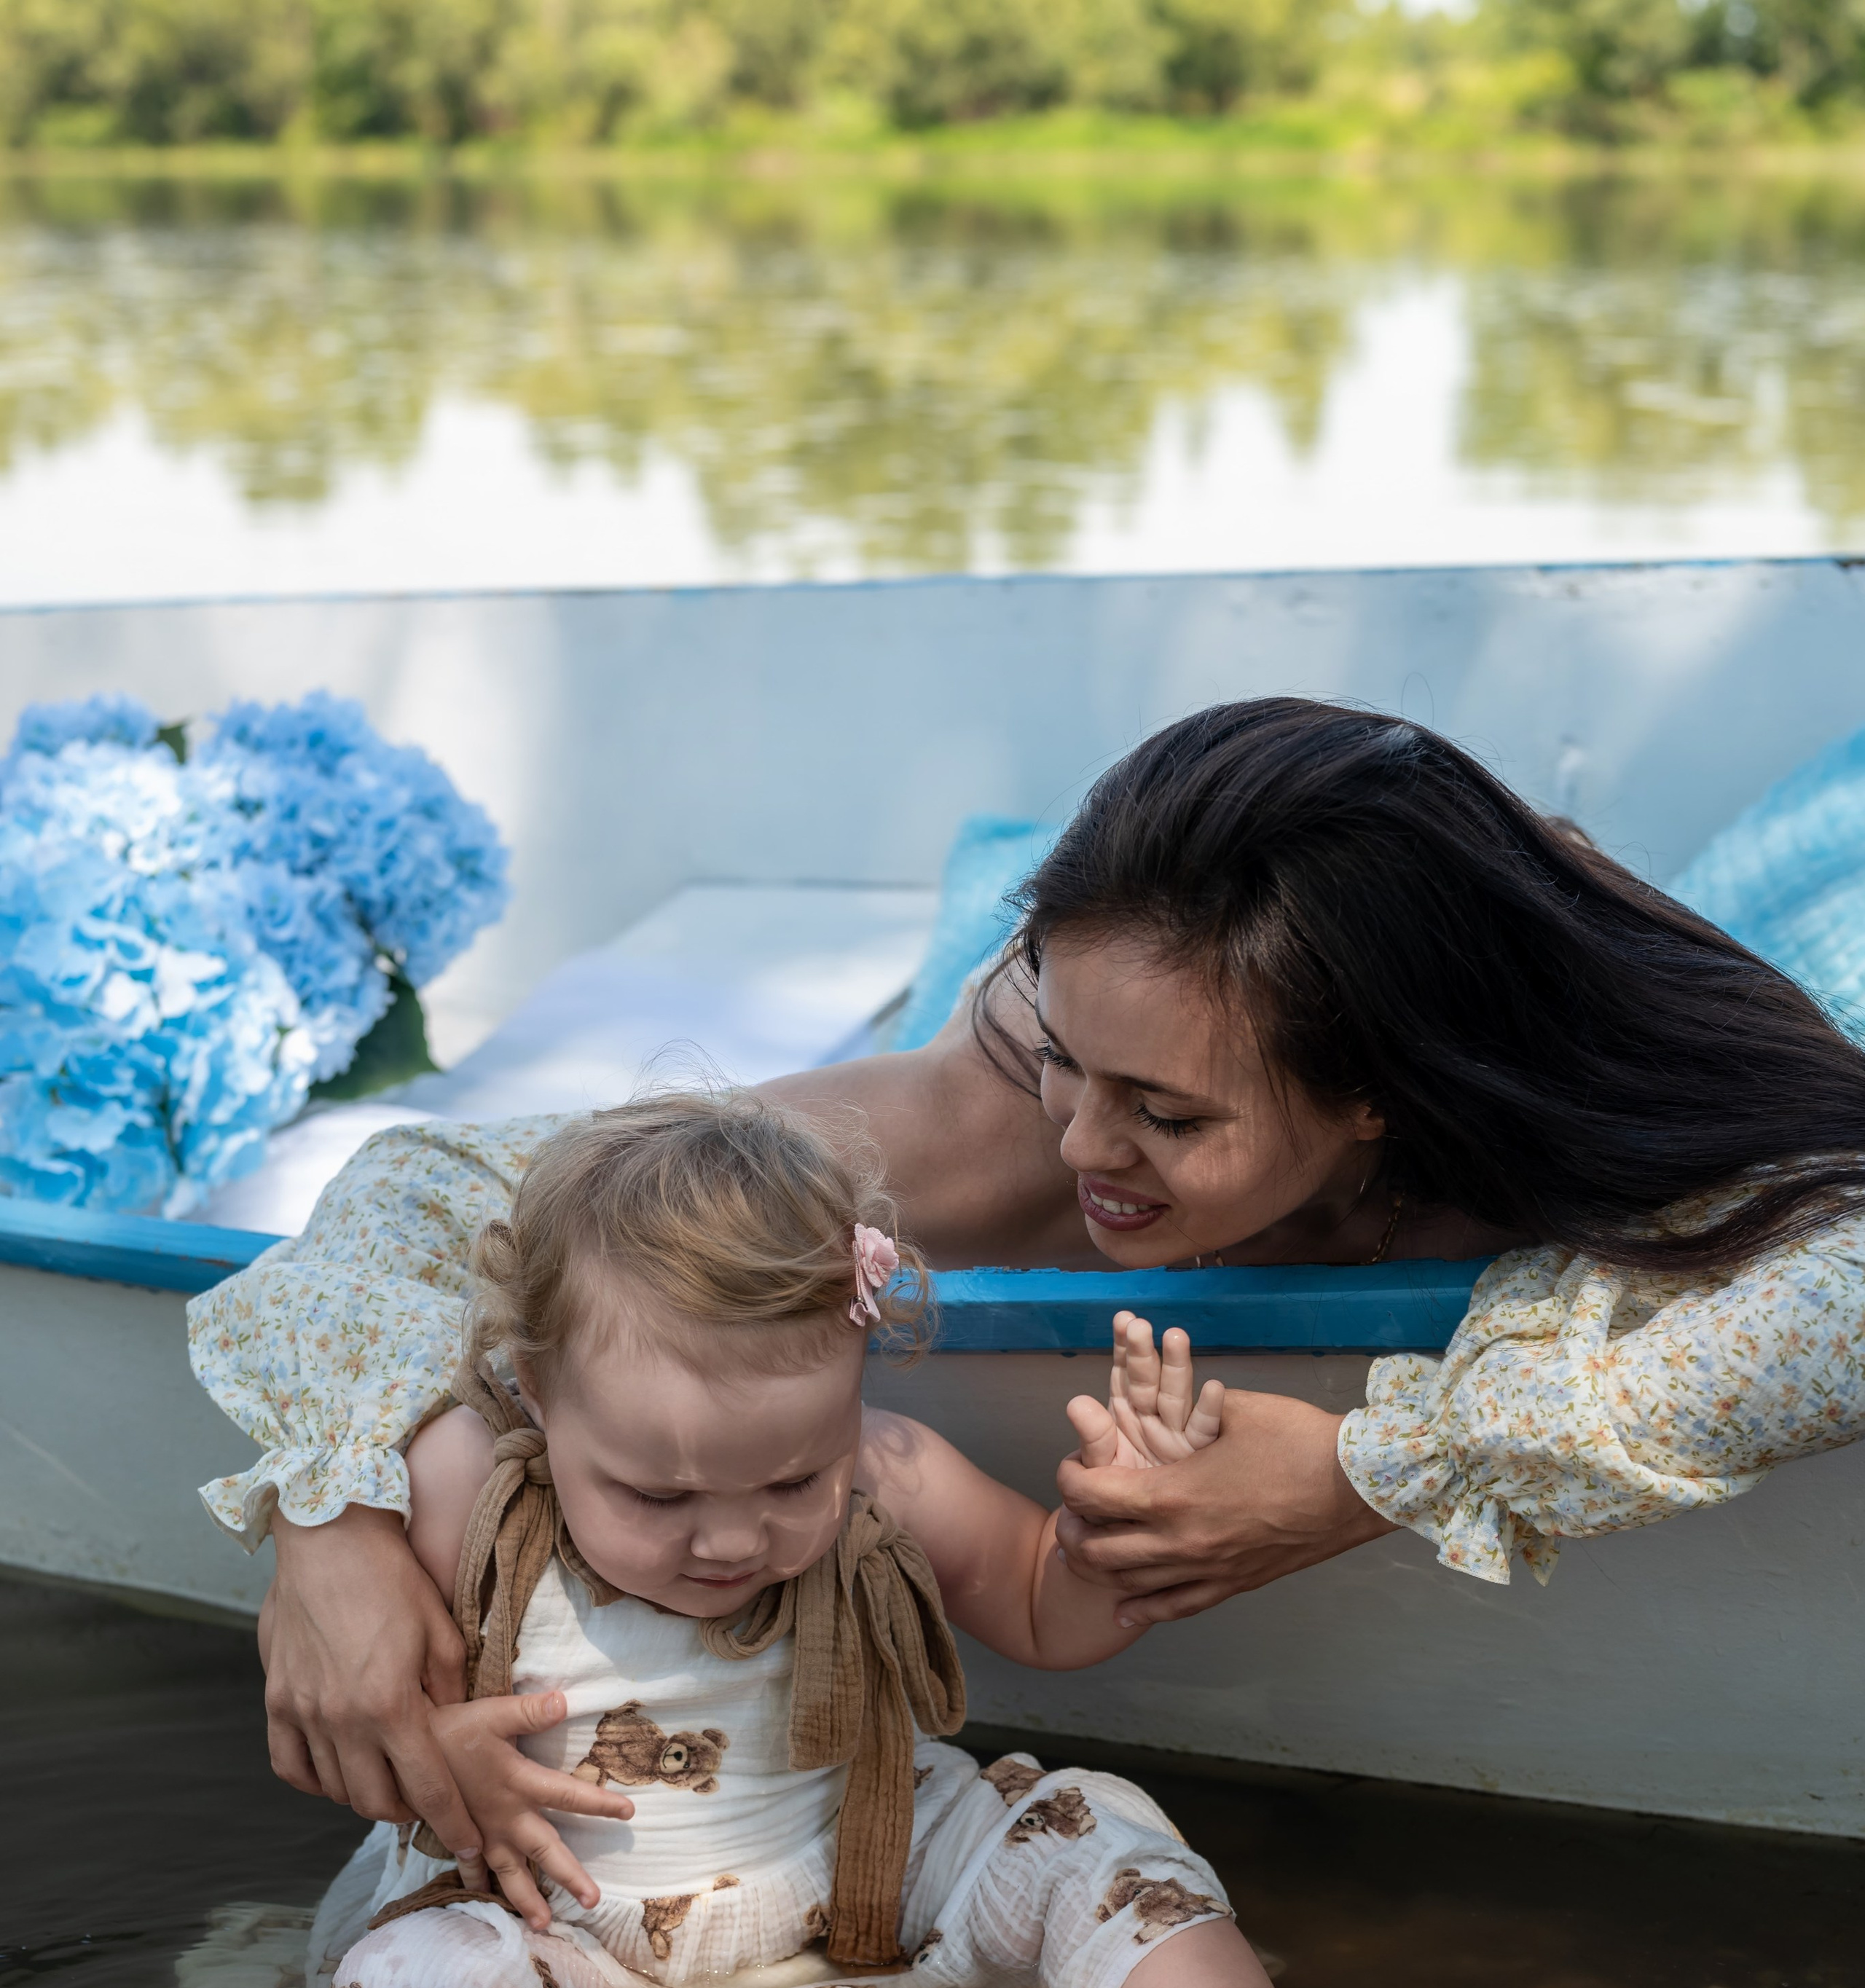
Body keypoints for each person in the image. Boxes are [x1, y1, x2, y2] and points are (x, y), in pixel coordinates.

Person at [188, 696, 1865, 1859]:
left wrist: (1371, 1470)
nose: (1083, 1148)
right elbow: (432, 1190)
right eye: (1070, 1058)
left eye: (1165, 1113)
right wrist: (327, 1529)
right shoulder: (1002, 1110)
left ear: (1376, 1101)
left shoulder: (1573, 1109)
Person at [173, 1096, 1509, 1988]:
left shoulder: (890, 1474)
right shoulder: (467, 1488)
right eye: (656, 1494)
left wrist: (1113, 1540)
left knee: (1084, 1823)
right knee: (418, 1983)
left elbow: (1045, 1610)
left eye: (790, 1474)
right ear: (535, 1386)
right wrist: (442, 1767)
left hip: (856, 1880)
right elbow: (351, 1701)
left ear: (857, 1366)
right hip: (564, 1928)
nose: (734, 1536)